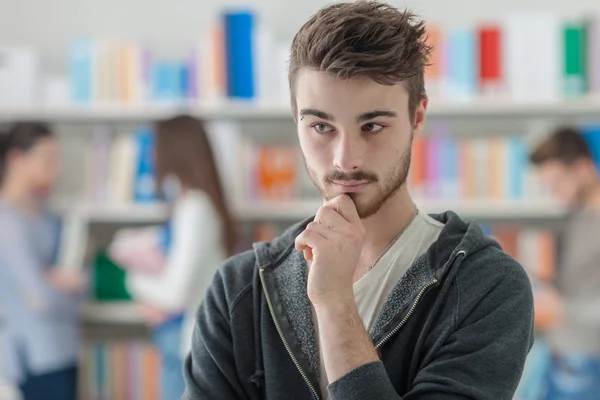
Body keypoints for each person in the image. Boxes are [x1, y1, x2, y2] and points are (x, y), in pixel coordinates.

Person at [183, 2, 535, 400]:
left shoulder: (485, 287)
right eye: (320, 126)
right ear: (295, 119)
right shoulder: (237, 291)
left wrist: (334, 303)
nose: (344, 159)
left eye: (372, 125)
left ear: (417, 116)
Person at [108, 115, 236, 400]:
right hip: (183, 342)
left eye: (155, 146)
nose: (151, 155)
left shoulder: (195, 208)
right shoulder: (192, 204)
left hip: (189, 344)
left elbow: (176, 293)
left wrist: (133, 281)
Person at [0, 122, 87, 400]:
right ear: (16, 159)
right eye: (48, 158)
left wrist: (61, 284)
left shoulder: (49, 216)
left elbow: (81, 281)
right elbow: (40, 297)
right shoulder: (7, 221)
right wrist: (63, 286)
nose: (57, 167)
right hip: (34, 357)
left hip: (66, 349)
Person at [529, 127, 600, 399]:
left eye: (558, 182)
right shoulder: (580, 218)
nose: (554, 193)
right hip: (563, 356)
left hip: (588, 363)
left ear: (582, 168)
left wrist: (561, 309)